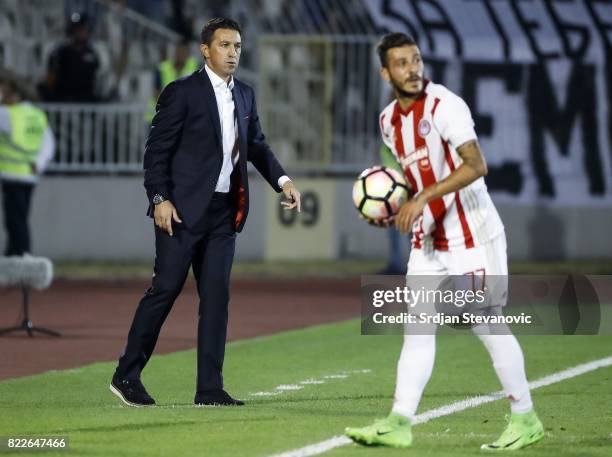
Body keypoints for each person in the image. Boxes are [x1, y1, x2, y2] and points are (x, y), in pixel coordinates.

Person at [345, 33, 544, 450]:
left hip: (473, 234)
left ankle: (525, 417)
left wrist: (421, 199)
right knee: (417, 330)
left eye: (415, 59)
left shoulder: (444, 105)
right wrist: (398, 209)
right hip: (430, 239)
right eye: (401, 63)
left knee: (487, 323)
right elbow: (414, 180)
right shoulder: (388, 123)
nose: (412, 68)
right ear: (386, 73)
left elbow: (476, 165)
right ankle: (399, 422)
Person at [110, 18, 301, 407]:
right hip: (180, 211)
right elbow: (156, 152)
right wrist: (159, 197)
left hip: (223, 214)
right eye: (225, 45)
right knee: (165, 291)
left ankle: (209, 389)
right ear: (206, 50)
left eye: (237, 46)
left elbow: (258, 147)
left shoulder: (245, 95)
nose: (233, 53)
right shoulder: (181, 92)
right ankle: (126, 375)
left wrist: (283, 181)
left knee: (216, 299)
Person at [0, 78, 55, 256]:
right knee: (20, 218)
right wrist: (38, 164)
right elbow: (49, 144)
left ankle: (20, 256)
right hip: (30, 174)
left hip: (12, 173)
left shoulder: (7, 114)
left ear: (16, 94)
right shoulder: (37, 114)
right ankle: (18, 255)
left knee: (14, 221)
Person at [39, 13, 100, 102]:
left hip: (86, 102)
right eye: (78, 29)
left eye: (83, 29)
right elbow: (51, 78)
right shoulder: (61, 52)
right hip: (64, 101)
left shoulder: (92, 53)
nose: (81, 32)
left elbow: (97, 79)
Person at [146, 39, 200, 124]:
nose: (179, 54)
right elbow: (156, 94)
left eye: (183, 51)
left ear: (188, 53)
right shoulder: (162, 69)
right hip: (158, 117)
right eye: (177, 51)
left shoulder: (195, 66)